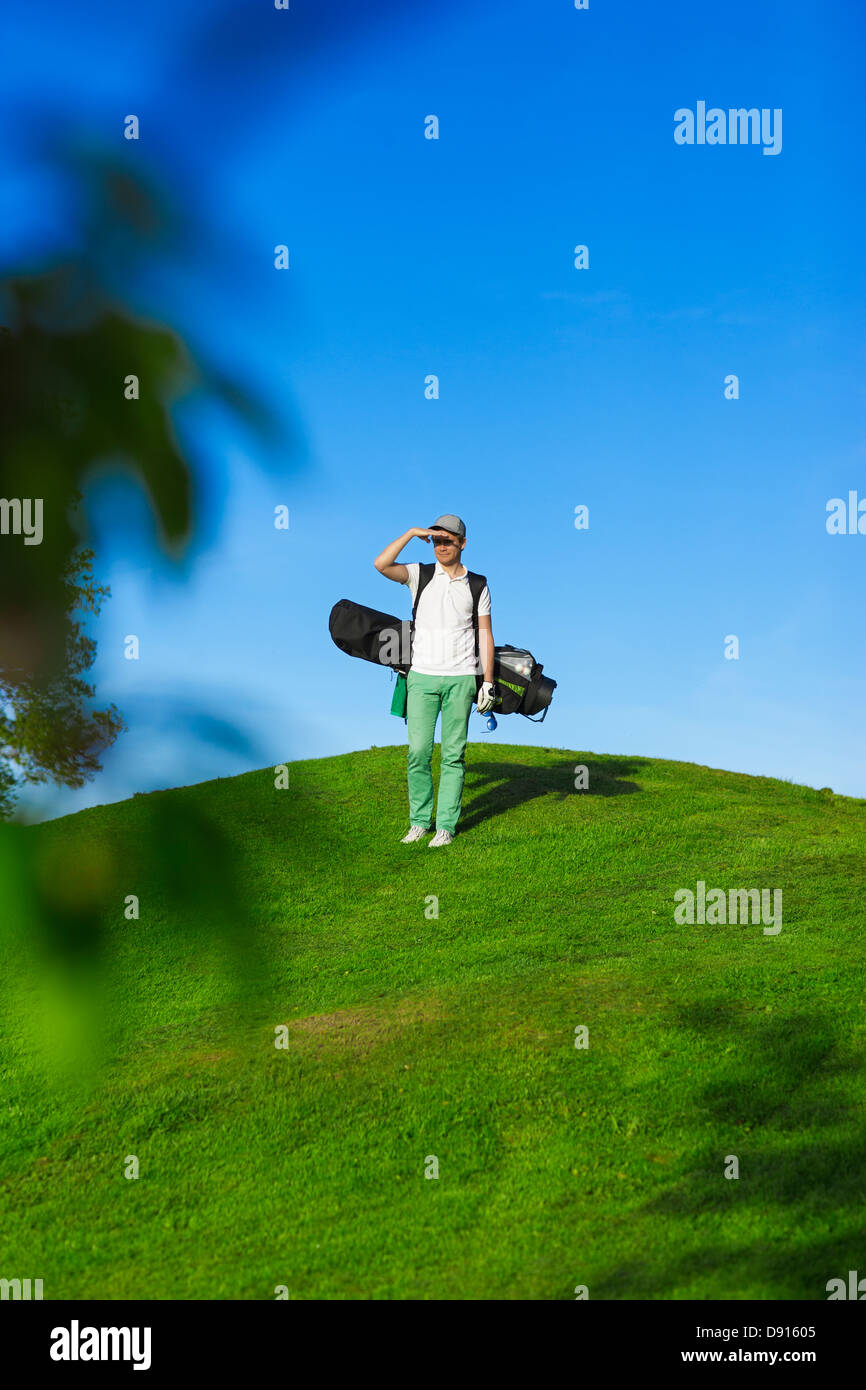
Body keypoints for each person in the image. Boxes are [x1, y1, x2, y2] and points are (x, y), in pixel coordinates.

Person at [374, 515, 495, 846]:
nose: (441, 546)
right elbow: (381, 564)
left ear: (462, 544)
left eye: (448, 541)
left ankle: (445, 827)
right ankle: (418, 823)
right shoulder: (420, 574)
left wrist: (487, 682)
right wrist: (412, 533)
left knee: (453, 754)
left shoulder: (478, 584)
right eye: (437, 540)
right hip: (422, 677)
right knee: (418, 752)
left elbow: (485, 634)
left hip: (461, 678)